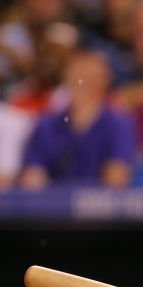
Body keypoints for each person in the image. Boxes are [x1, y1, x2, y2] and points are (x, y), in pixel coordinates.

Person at [20, 48, 135, 187]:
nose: (80, 82)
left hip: (99, 206)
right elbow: (32, 180)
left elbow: (117, 179)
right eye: (77, 75)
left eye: (88, 77)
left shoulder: (118, 124)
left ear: (104, 80)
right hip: (54, 206)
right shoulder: (47, 126)